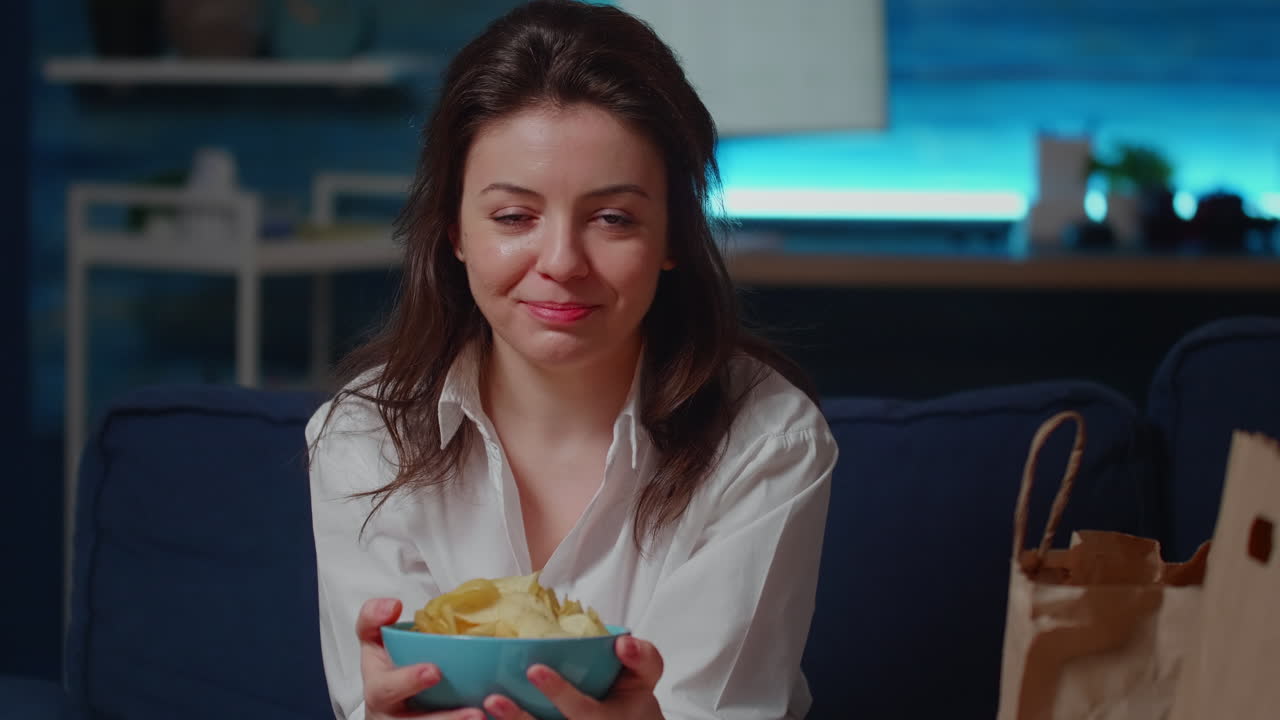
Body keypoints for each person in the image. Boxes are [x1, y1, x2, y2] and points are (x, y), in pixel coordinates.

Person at [306, 2, 837, 718]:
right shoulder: (362, 441)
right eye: (514, 217)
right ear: (453, 231)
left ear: (673, 235)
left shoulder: (768, 441)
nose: (560, 263)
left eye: (612, 218)